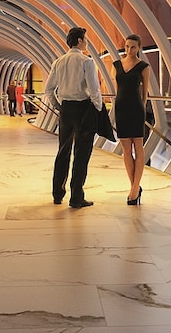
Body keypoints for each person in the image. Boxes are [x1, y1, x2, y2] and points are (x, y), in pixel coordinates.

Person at [43, 27, 103, 208]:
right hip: (83, 109)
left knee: (63, 151)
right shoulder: (87, 61)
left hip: (66, 109)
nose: (87, 42)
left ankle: (57, 193)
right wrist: (98, 109)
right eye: (85, 39)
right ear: (79, 40)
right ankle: (76, 196)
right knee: (81, 154)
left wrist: (58, 106)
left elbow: (48, 89)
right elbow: (94, 90)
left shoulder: (58, 62)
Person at [112, 34, 150, 205]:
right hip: (121, 109)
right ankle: (134, 186)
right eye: (127, 46)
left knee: (138, 146)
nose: (129, 50)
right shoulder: (116, 65)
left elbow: (145, 94)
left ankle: (134, 190)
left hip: (136, 109)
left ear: (139, 48)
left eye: (133, 47)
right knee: (126, 149)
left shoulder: (143, 67)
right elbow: (117, 90)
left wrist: (141, 108)